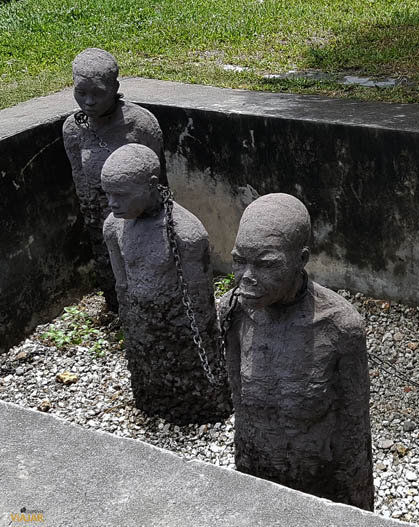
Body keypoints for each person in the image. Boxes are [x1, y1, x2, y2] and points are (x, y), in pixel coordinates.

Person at [219, 193, 374, 510]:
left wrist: (357, 512)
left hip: (319, 486)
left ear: (301, 260)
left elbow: (354, 435)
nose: (246, 277)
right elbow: (241, 410)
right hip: (258, 475)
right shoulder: (235, 312)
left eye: (266, 265)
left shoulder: (340, 327)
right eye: (239, 261)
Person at [102, 144, 231, 424]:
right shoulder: (114, 227)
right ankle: (151, 398)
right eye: (108, 194)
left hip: (179, 323)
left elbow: (200, 301)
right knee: (150, 370)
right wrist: (131, 318)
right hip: (141, 320)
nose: (113, 203)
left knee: (187, 378)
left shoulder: (186, 234)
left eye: (121, 196)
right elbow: (121, 283)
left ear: (151, 186)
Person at [62, 48, 165, 312]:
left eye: (98, 93)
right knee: (114, 278)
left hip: (140, 215)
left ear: (114, 87)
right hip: (100, 215)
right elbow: (81, 183)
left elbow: (159, 184)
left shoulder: (141, 125)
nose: (89, 102)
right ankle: (117, 308)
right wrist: (97, 223)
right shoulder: (74, 130)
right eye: (81, 92)